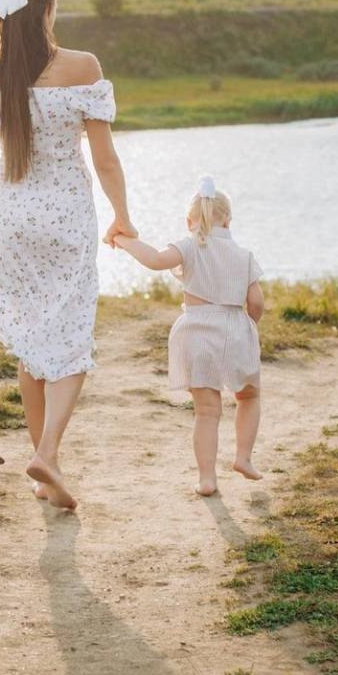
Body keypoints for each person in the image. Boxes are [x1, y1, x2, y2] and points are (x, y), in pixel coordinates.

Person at [0, 0, 135, 510]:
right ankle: (50, 455)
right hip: (65, 223)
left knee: (34, 344)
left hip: (11, 225)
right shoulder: (82, 68)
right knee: (72, 342)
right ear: (52, 6)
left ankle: (42, 473)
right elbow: (104, 160)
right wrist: (123, 215)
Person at [113, 176, 264, 496]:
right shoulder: (245, 255)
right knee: (248, 396)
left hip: (197, 331)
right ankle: (243, 457)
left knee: (207, 411)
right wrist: (249, 326)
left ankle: (207, 479)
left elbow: (154, 260)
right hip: (235, 327)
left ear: (189, 221)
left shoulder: (189, 245)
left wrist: (124, 241)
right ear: (229, 219)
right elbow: (256, 303)